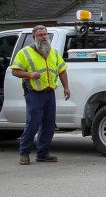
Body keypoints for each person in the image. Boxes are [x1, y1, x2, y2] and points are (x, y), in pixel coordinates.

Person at [10, 25, 70, 165]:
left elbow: (62, 71)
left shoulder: (53, 52)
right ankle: (24, 153)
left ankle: (42, 153)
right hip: (34, 93)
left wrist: (66, 87)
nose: (44, 37)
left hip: (49, 93)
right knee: (33, 124)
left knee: (49, 125)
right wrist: (30, 74)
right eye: (40, 35)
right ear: (34, 37)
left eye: (45, 35)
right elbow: (15, 71)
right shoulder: (24, 53)